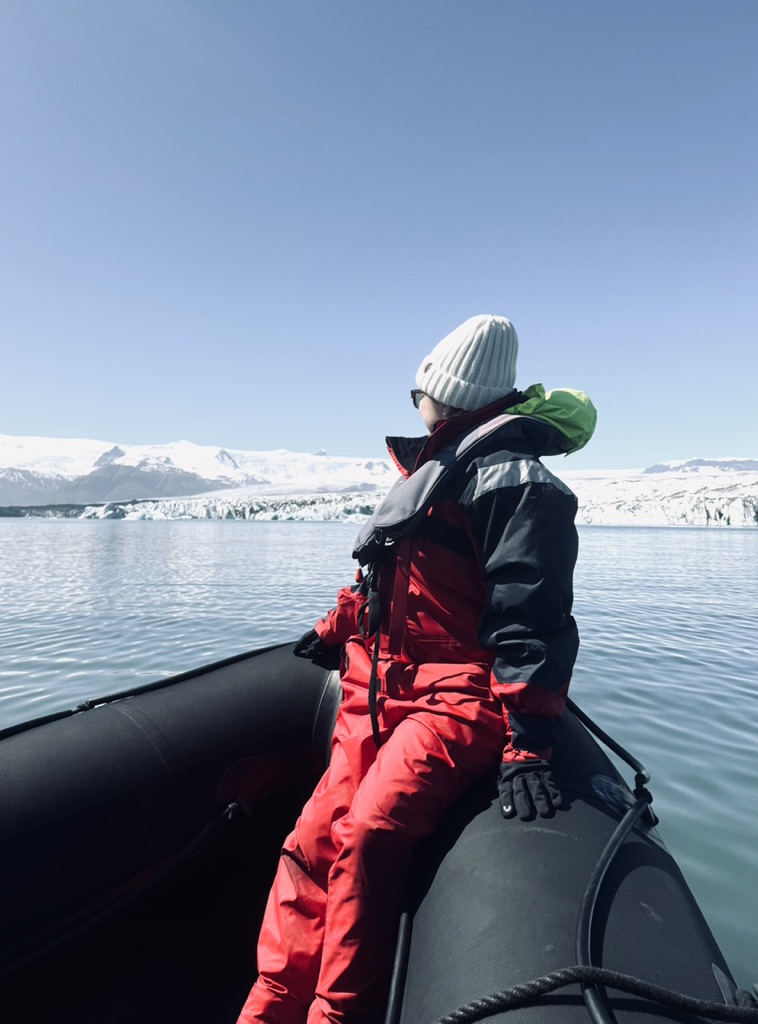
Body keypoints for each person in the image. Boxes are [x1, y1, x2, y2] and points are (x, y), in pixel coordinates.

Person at [236, 314, 597, 1024]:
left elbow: (531, 619)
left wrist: (529, 742)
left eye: (417, 392)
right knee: (311, 844)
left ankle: (336, 1016)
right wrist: (333, 627)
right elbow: (392, 579)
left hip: (456, 696)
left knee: (371, 833)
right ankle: (270, 1007)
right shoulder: (436, 467)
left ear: (450, 395)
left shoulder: (516, 484)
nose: (414, 405)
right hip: (377, 688)